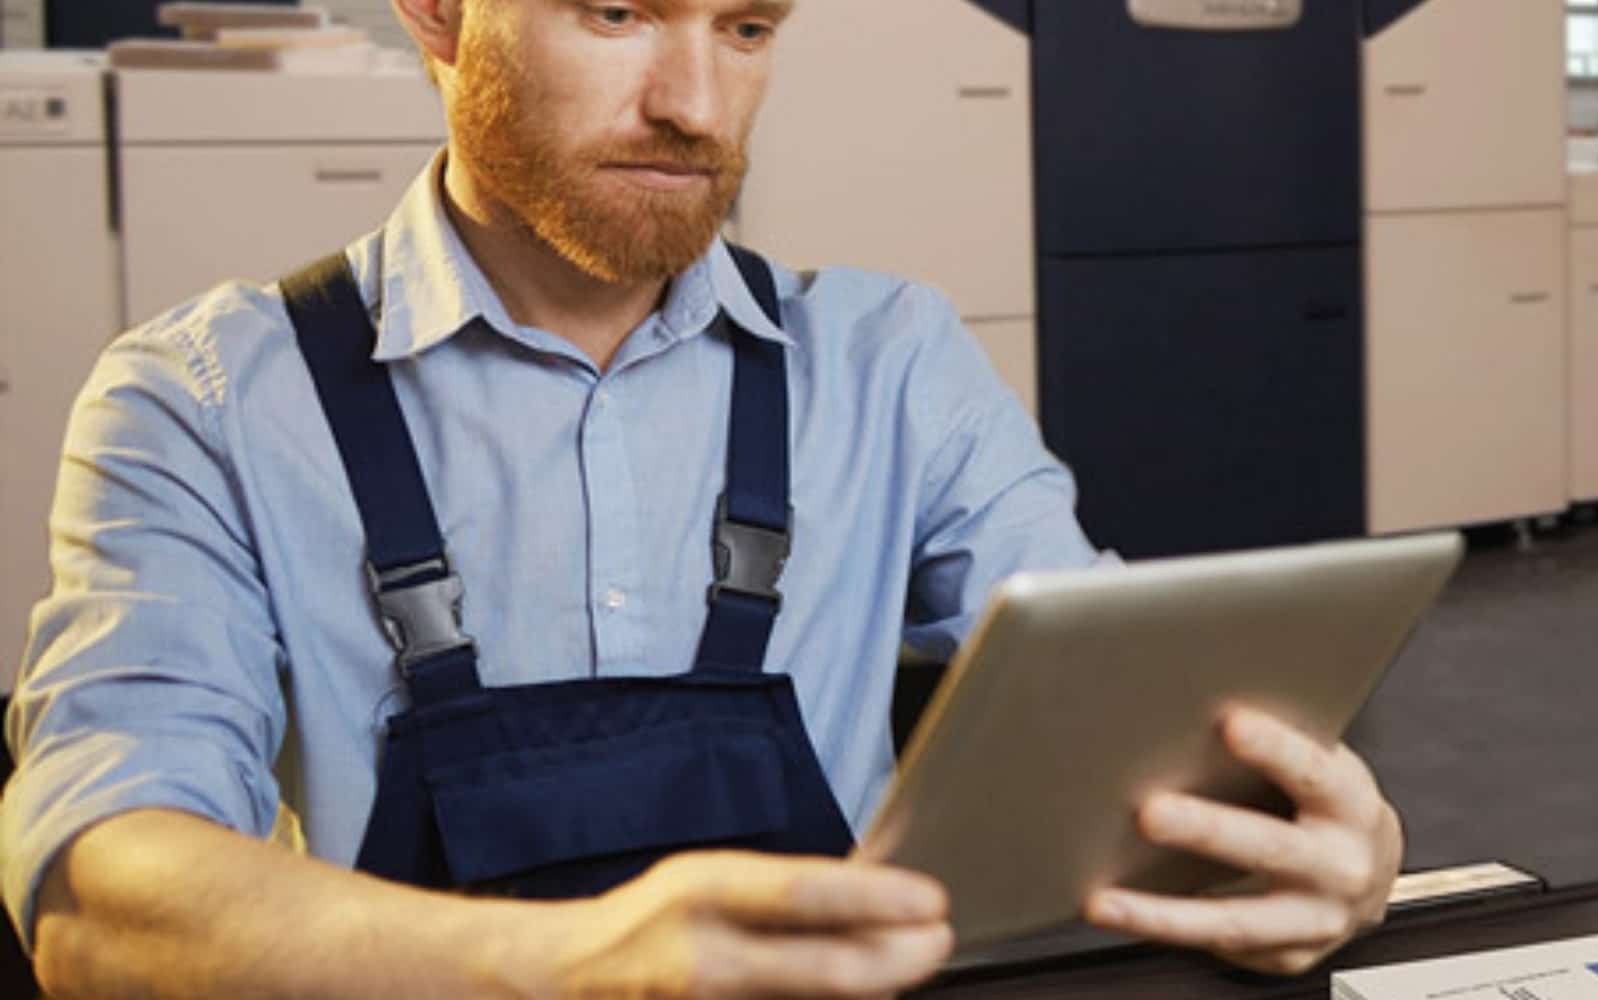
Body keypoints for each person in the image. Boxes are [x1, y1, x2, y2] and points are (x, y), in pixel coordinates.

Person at [1, 0, 1405, 995]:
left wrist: (1337, 842)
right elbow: (101, 902)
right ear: (436, 13)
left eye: (746, 28)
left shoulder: (890, 358)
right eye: (617, 14)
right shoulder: (197, 398)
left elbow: (1138, 716)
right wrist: (571, 970)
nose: (694, 105)